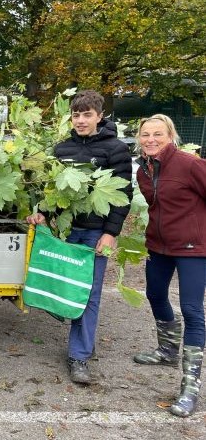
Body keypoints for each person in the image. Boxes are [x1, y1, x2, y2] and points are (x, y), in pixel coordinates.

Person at [26, 90, 132, 384]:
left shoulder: (116, 150)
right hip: (68, 231)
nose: (81, 120)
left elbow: (123, 196)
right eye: (76, 115)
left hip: (96, 233)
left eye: (87, 115)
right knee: (65, 288)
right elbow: (54, 192)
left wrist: (111, 233)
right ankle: (83, 341)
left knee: (88, 293)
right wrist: (42, 213)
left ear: (99, 116)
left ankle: (79, 356)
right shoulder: (62, 150)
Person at [132, 114, 206, 417]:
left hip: (192, 248)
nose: (151, 139)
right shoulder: (143, 171)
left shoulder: (189, 164)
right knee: (155, 296)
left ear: (170, 135)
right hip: (159, 246)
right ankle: (166, 351)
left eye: (158, 134)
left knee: (191, 310)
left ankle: (190, 387)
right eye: (146, 134)